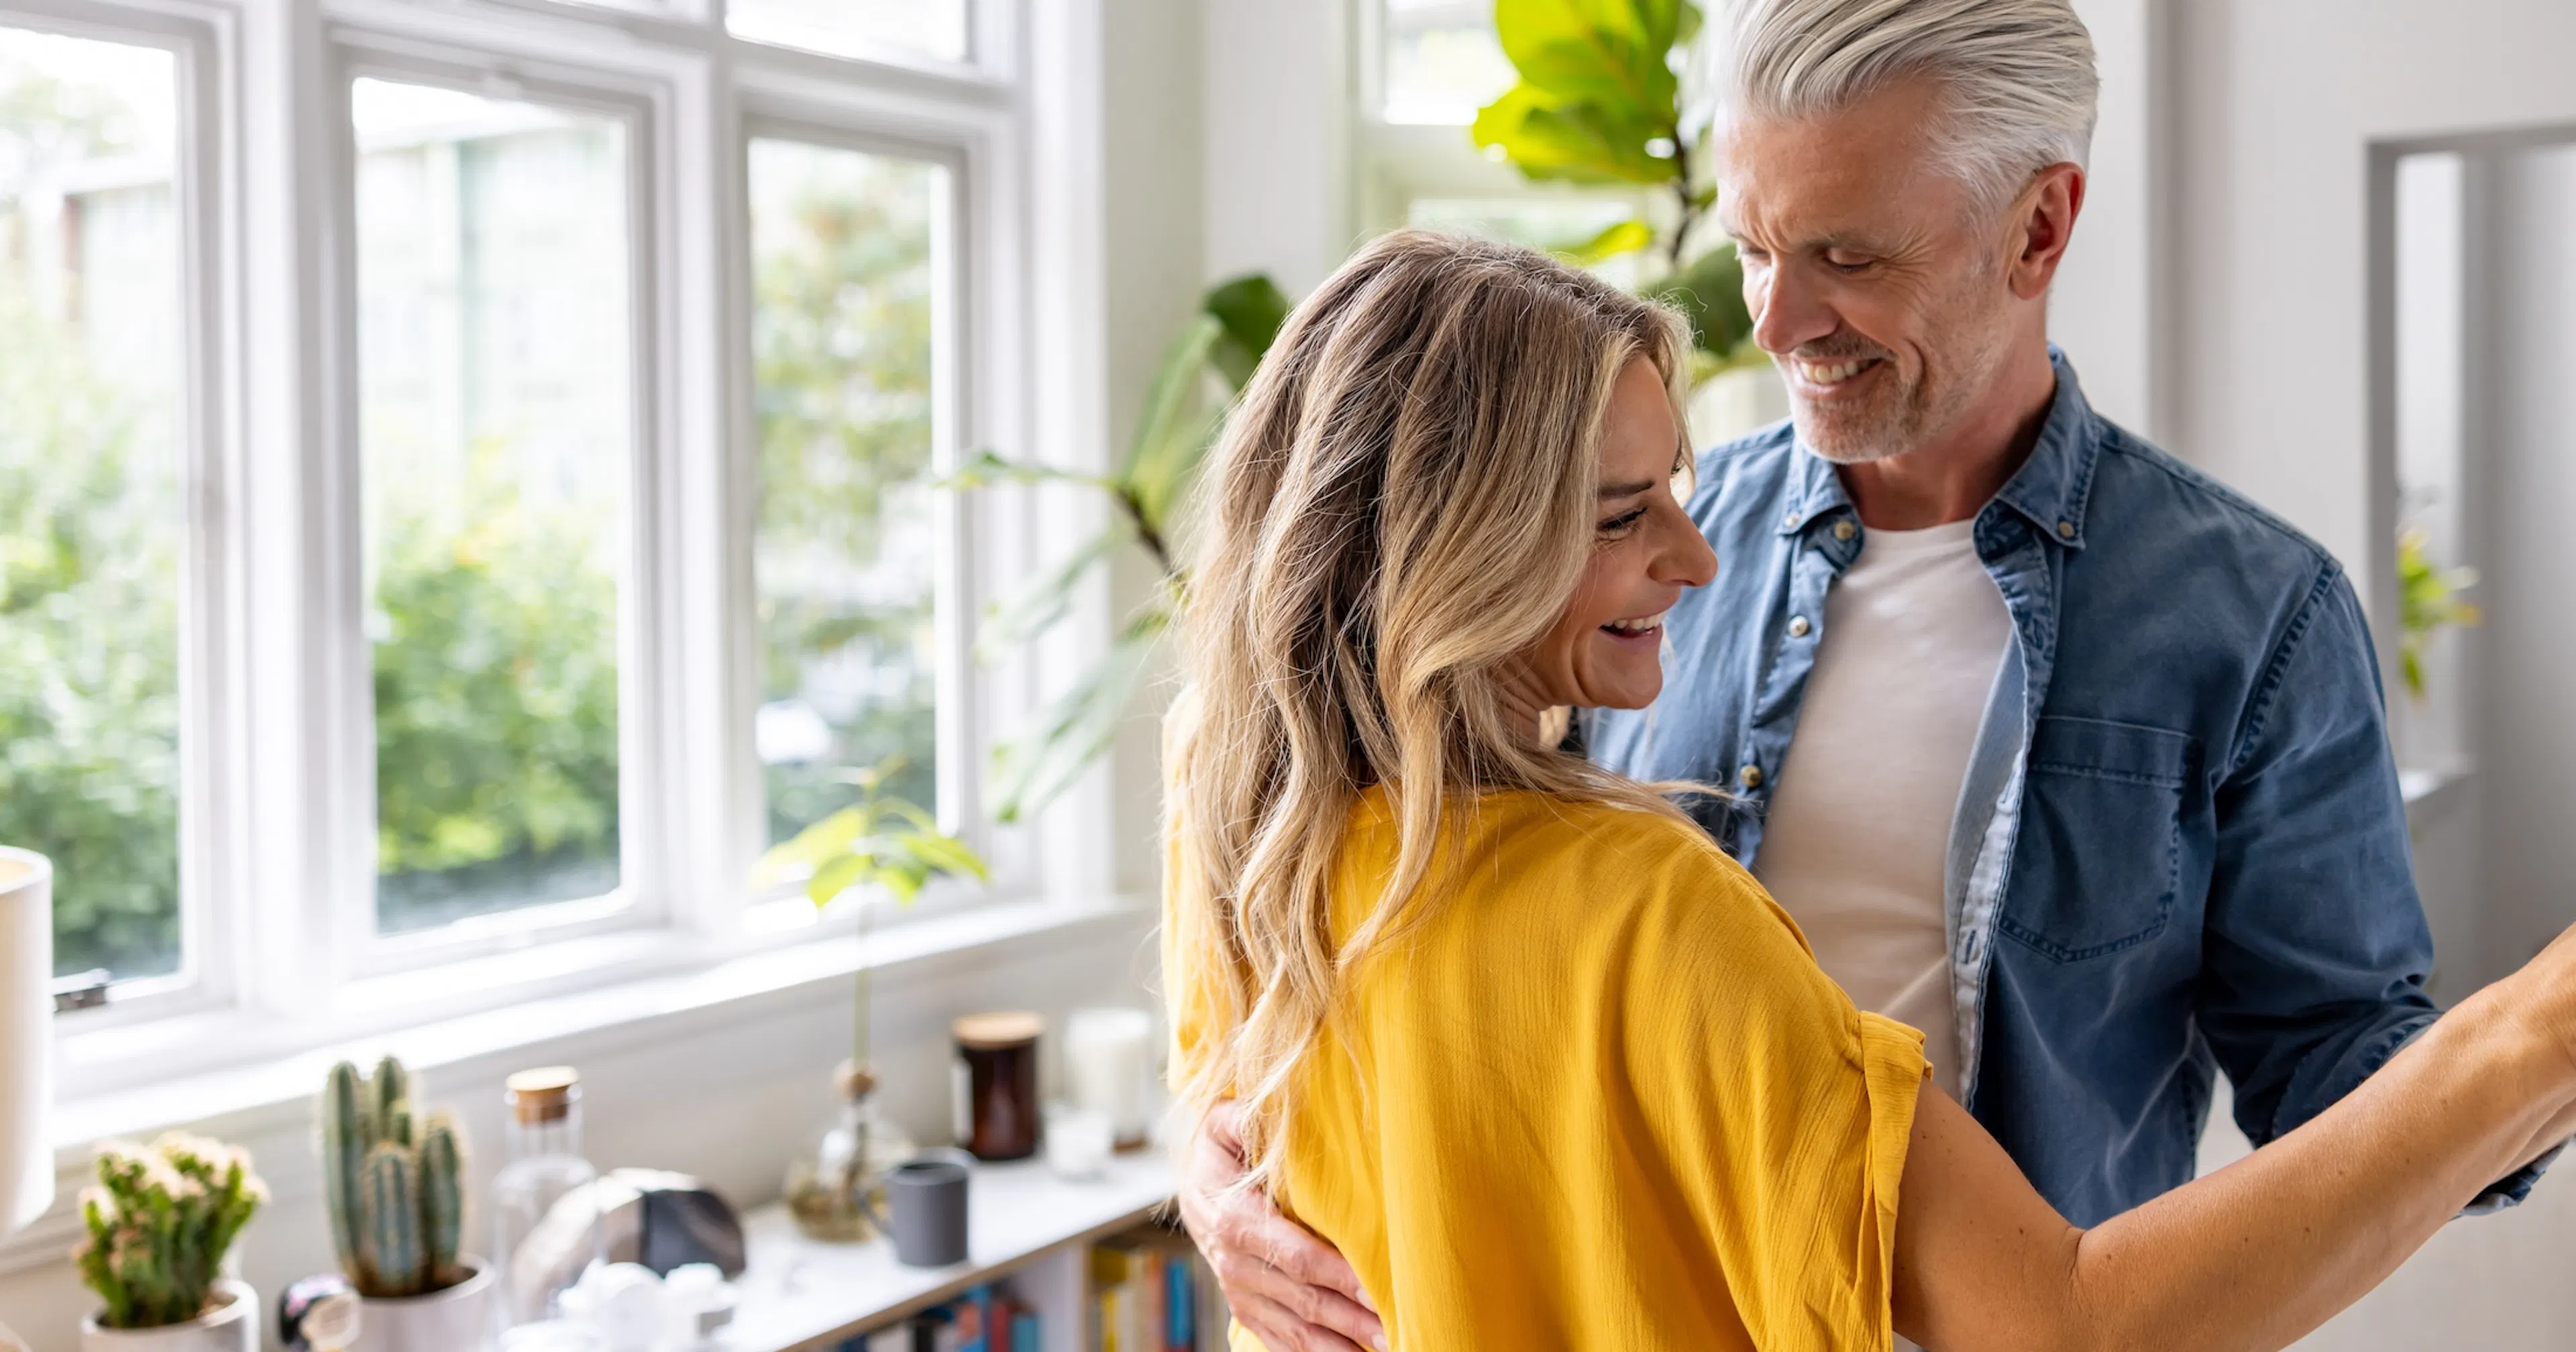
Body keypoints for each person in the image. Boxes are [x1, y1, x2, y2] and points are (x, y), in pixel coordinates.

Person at [1177, 4, 2556, 1347]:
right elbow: (1438, 923)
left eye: (1846, 254)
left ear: (2039, 228)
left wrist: (2520, 1061)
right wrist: (1220, 1159)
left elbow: (2330, 1074)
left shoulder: (2254, 615)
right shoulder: (1618, 551)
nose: (1776, 321)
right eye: (1754, 247)